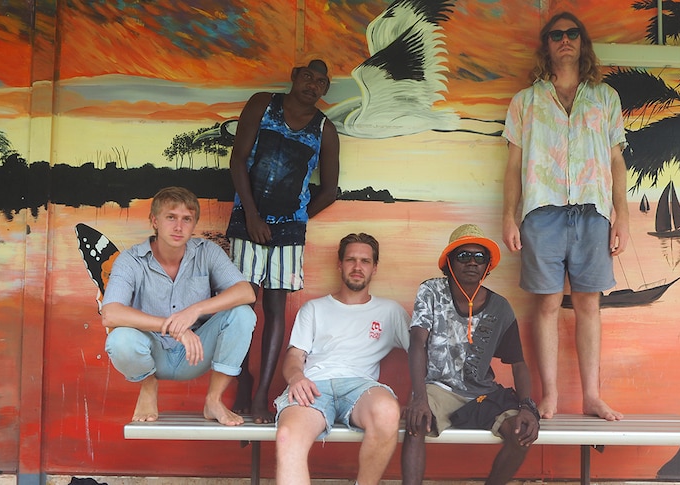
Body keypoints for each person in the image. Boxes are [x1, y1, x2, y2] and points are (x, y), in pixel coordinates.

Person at [502, 11, 629, 421]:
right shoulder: (525, 101)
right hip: (543, 212)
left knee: (590, 304)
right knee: (547, 305)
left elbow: (616, 161)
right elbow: (513, 165)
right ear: (547, 44)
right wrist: (509, 215)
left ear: (582, 41)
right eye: (556, 35)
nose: (565, 40)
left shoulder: (605, 98)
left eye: (572, 33)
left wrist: (622, 216)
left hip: (593, 212)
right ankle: (550, 396)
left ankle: (592, 396)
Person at [227, 58, 340, 423]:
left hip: (288, 233)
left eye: (321, 82)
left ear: (324, 89)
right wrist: (254, 216)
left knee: (276, 310)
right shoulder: (263, 104)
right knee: (242, 307)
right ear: (294, 77)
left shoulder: (326, 129)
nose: (312, 84)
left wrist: (296, 218)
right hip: (249, 221)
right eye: (308, 76)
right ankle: (242, 378)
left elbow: (330, 190)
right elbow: (238, 161)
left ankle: (262, 393)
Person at [102, 186, 257, 426]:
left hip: (195, 353)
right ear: (154, 221)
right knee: (119, 339)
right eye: (171, 217)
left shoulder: (207, 252)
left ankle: (213, 400)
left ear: (194, 224)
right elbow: (110, 313)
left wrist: (194, 310)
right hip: (152, 354)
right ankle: (148, 385)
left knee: (243, 314)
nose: (179, 227)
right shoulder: (131, 259)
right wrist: (172, 326)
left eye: (187, 219)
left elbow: (246, 292)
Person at [402, 224, 540, 485]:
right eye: (463, 256)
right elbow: (417, 343)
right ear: (449, 263)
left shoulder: (500, 307)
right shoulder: (431, 291)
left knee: (521, 434)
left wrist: (526, 406)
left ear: (487, 265)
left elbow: (518, 363)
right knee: (416, 423)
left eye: (480, 257)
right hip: (438, 389)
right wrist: (418, 397)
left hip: (482, 394)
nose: (472, 262)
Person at [274, 233, 409, 484]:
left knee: (388, 411)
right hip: (314, 385)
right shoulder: (314, 308)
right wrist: (296, 377)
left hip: (361, 386)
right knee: (286, 436)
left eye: (365, 261)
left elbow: (420, 352)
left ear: (375, 268)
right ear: (340, 264)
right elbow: (294, 355)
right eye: (351, 260)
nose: (358, 267)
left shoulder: (390, 311)